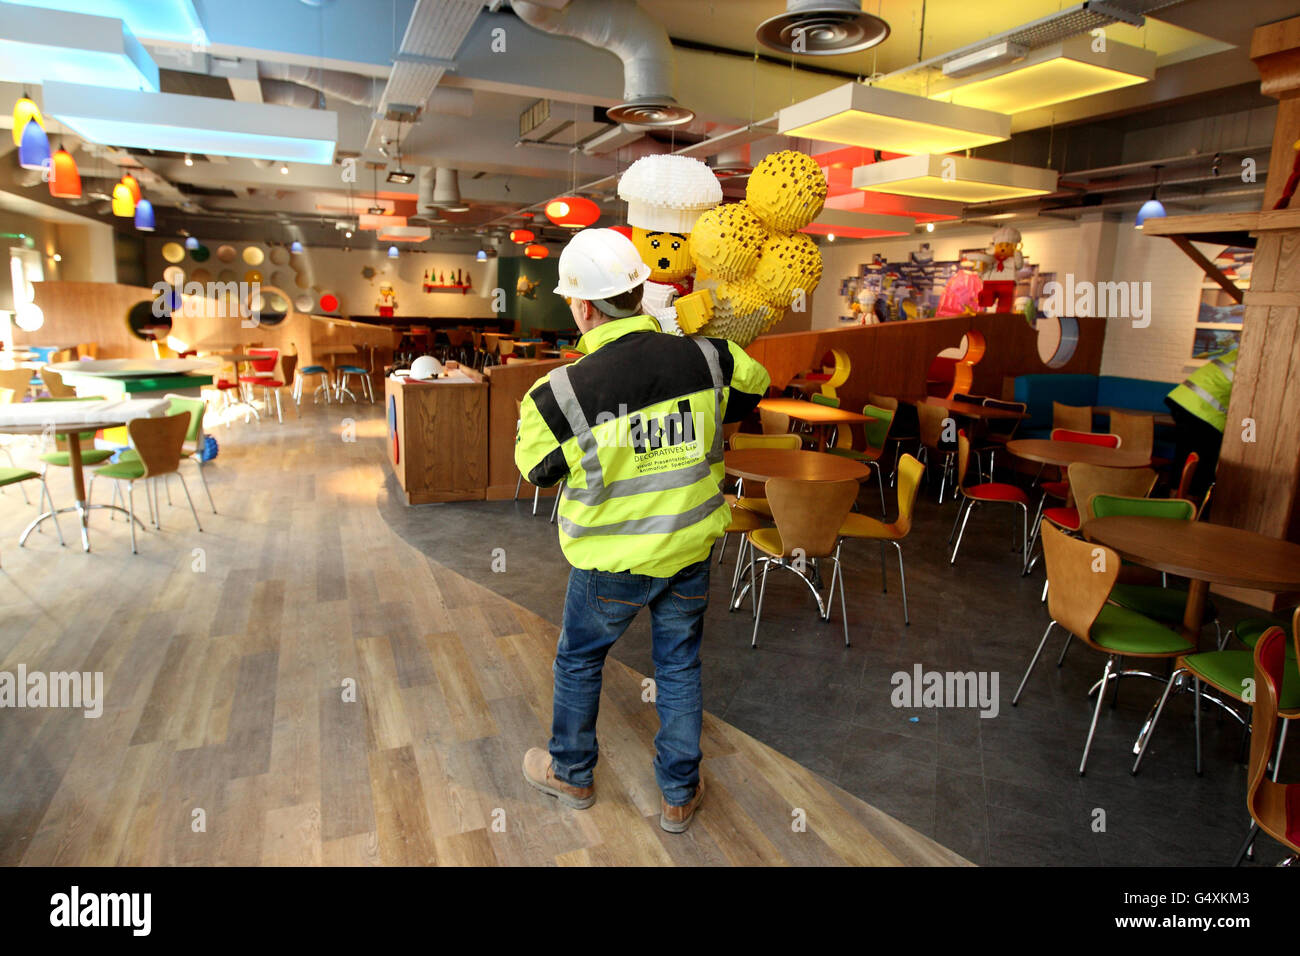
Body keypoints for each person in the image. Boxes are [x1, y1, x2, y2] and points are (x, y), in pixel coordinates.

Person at [515, 227, 770, 833]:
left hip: (610, 565)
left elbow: (537, 467)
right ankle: (679, 795)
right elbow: (755, 386)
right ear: (640, 291)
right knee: (678, 666)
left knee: (580, 662)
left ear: (580, 306)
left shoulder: (559, 394)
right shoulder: (710, 358)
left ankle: (572, 776)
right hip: (688, 552)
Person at [1165, 345, 1237, 501]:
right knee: (1205, 461)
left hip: (1181, 399)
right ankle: (1188, 503)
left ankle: (1174, 498)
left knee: (1185, 454)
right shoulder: (1254, 362)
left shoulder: (1237, 354)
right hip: (1202, 410)